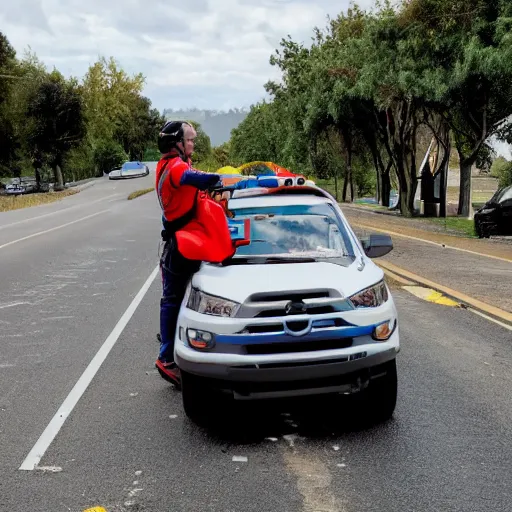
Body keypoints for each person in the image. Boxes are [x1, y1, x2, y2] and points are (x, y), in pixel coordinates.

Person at [155, 120, 221, 388]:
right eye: (190, 140)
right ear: (177, 144)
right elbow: (192, 178)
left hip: (177, 242)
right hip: (180, 246)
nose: (193, 144)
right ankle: (167, 358)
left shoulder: (166, 164)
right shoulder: (176, 167)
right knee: (175, 299)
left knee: (174, 298)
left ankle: (169, 352)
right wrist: (217, 179)